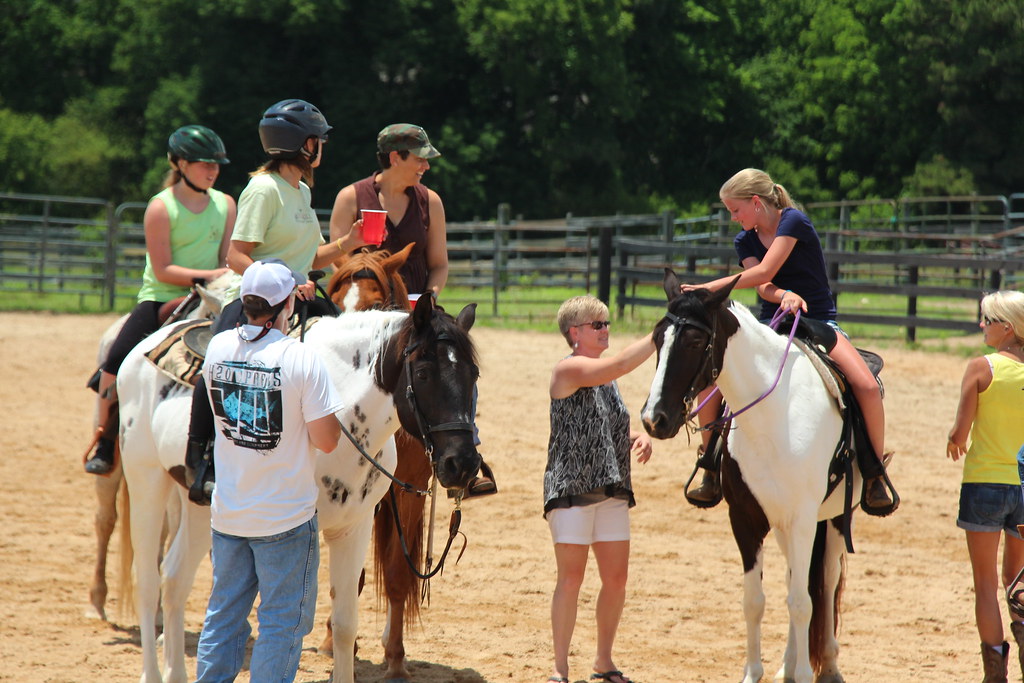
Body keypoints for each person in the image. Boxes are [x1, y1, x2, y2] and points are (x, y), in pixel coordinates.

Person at [681, 167, 896, 515]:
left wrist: (706, 288)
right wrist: (785, 295)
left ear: (755, 202)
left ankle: (874, 472)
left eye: (735, 210)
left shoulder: (793, 221)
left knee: (867, 386)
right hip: (773, 322)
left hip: (819, 320)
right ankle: (709, 463)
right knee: (713, 380)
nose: (734, 219)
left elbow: (764, 271)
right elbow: (764, 285)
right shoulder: (745, 240)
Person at [184, 99, 368, 503]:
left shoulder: (300, 192)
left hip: (300, 296)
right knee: (214, 363)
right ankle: (200, 461)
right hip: (256, 298)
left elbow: (311, 257)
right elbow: (236, 256)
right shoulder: (263, 190)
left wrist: (349, 243)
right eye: (318, 140)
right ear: (303, 145)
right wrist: (280, 287)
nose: (322, 147)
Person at [194, 259, 343, 683]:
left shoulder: (218, 347)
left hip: (230, 512)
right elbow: (327, 440)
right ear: (287, 307)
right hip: (285, 517)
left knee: (223, 618)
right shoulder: (300, 358)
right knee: (281, 625)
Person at [328, 123, 496, 497]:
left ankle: (469, 459)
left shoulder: (429, 201)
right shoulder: (350, 197)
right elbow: (339, 265)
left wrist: (430, 298)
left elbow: (439, 264)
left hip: (416, 312)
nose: (426, 166)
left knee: (456, 361)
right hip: (363, 316)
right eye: (419, 159)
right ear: (395, 158)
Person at [84, 125, 234, 475]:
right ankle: (105, 440)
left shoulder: (226, 204)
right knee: (115, 358)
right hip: (164, 296)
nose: (212, 170)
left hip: (214, 293)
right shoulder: (161, 207)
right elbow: (163, 269)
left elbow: (226, 258)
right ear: (180, 163)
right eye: (203, 163)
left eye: (216, 164)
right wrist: (207, 277)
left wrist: (218, 280)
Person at [544, 295, 654, 683]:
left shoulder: (606, 380)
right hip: (572, 488)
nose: (605, 329)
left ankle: (603, 661)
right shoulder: (569, 369)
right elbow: (621, 364)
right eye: (597, 325)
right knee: (570, 580)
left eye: (606, 323)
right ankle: (560, 668)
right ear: (575, 333)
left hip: (611, 488)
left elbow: (609, 423)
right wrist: (661, 333)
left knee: (616, 580)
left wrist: (636, 436)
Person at [947, 291, 1024, 683]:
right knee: (1019, 579)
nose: (982, 325)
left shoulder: (981, 368)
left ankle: (995, 674)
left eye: (987, 319)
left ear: (1006, 327)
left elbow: (961, 431)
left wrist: (954, 440)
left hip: (984, 486)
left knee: (985, 584)